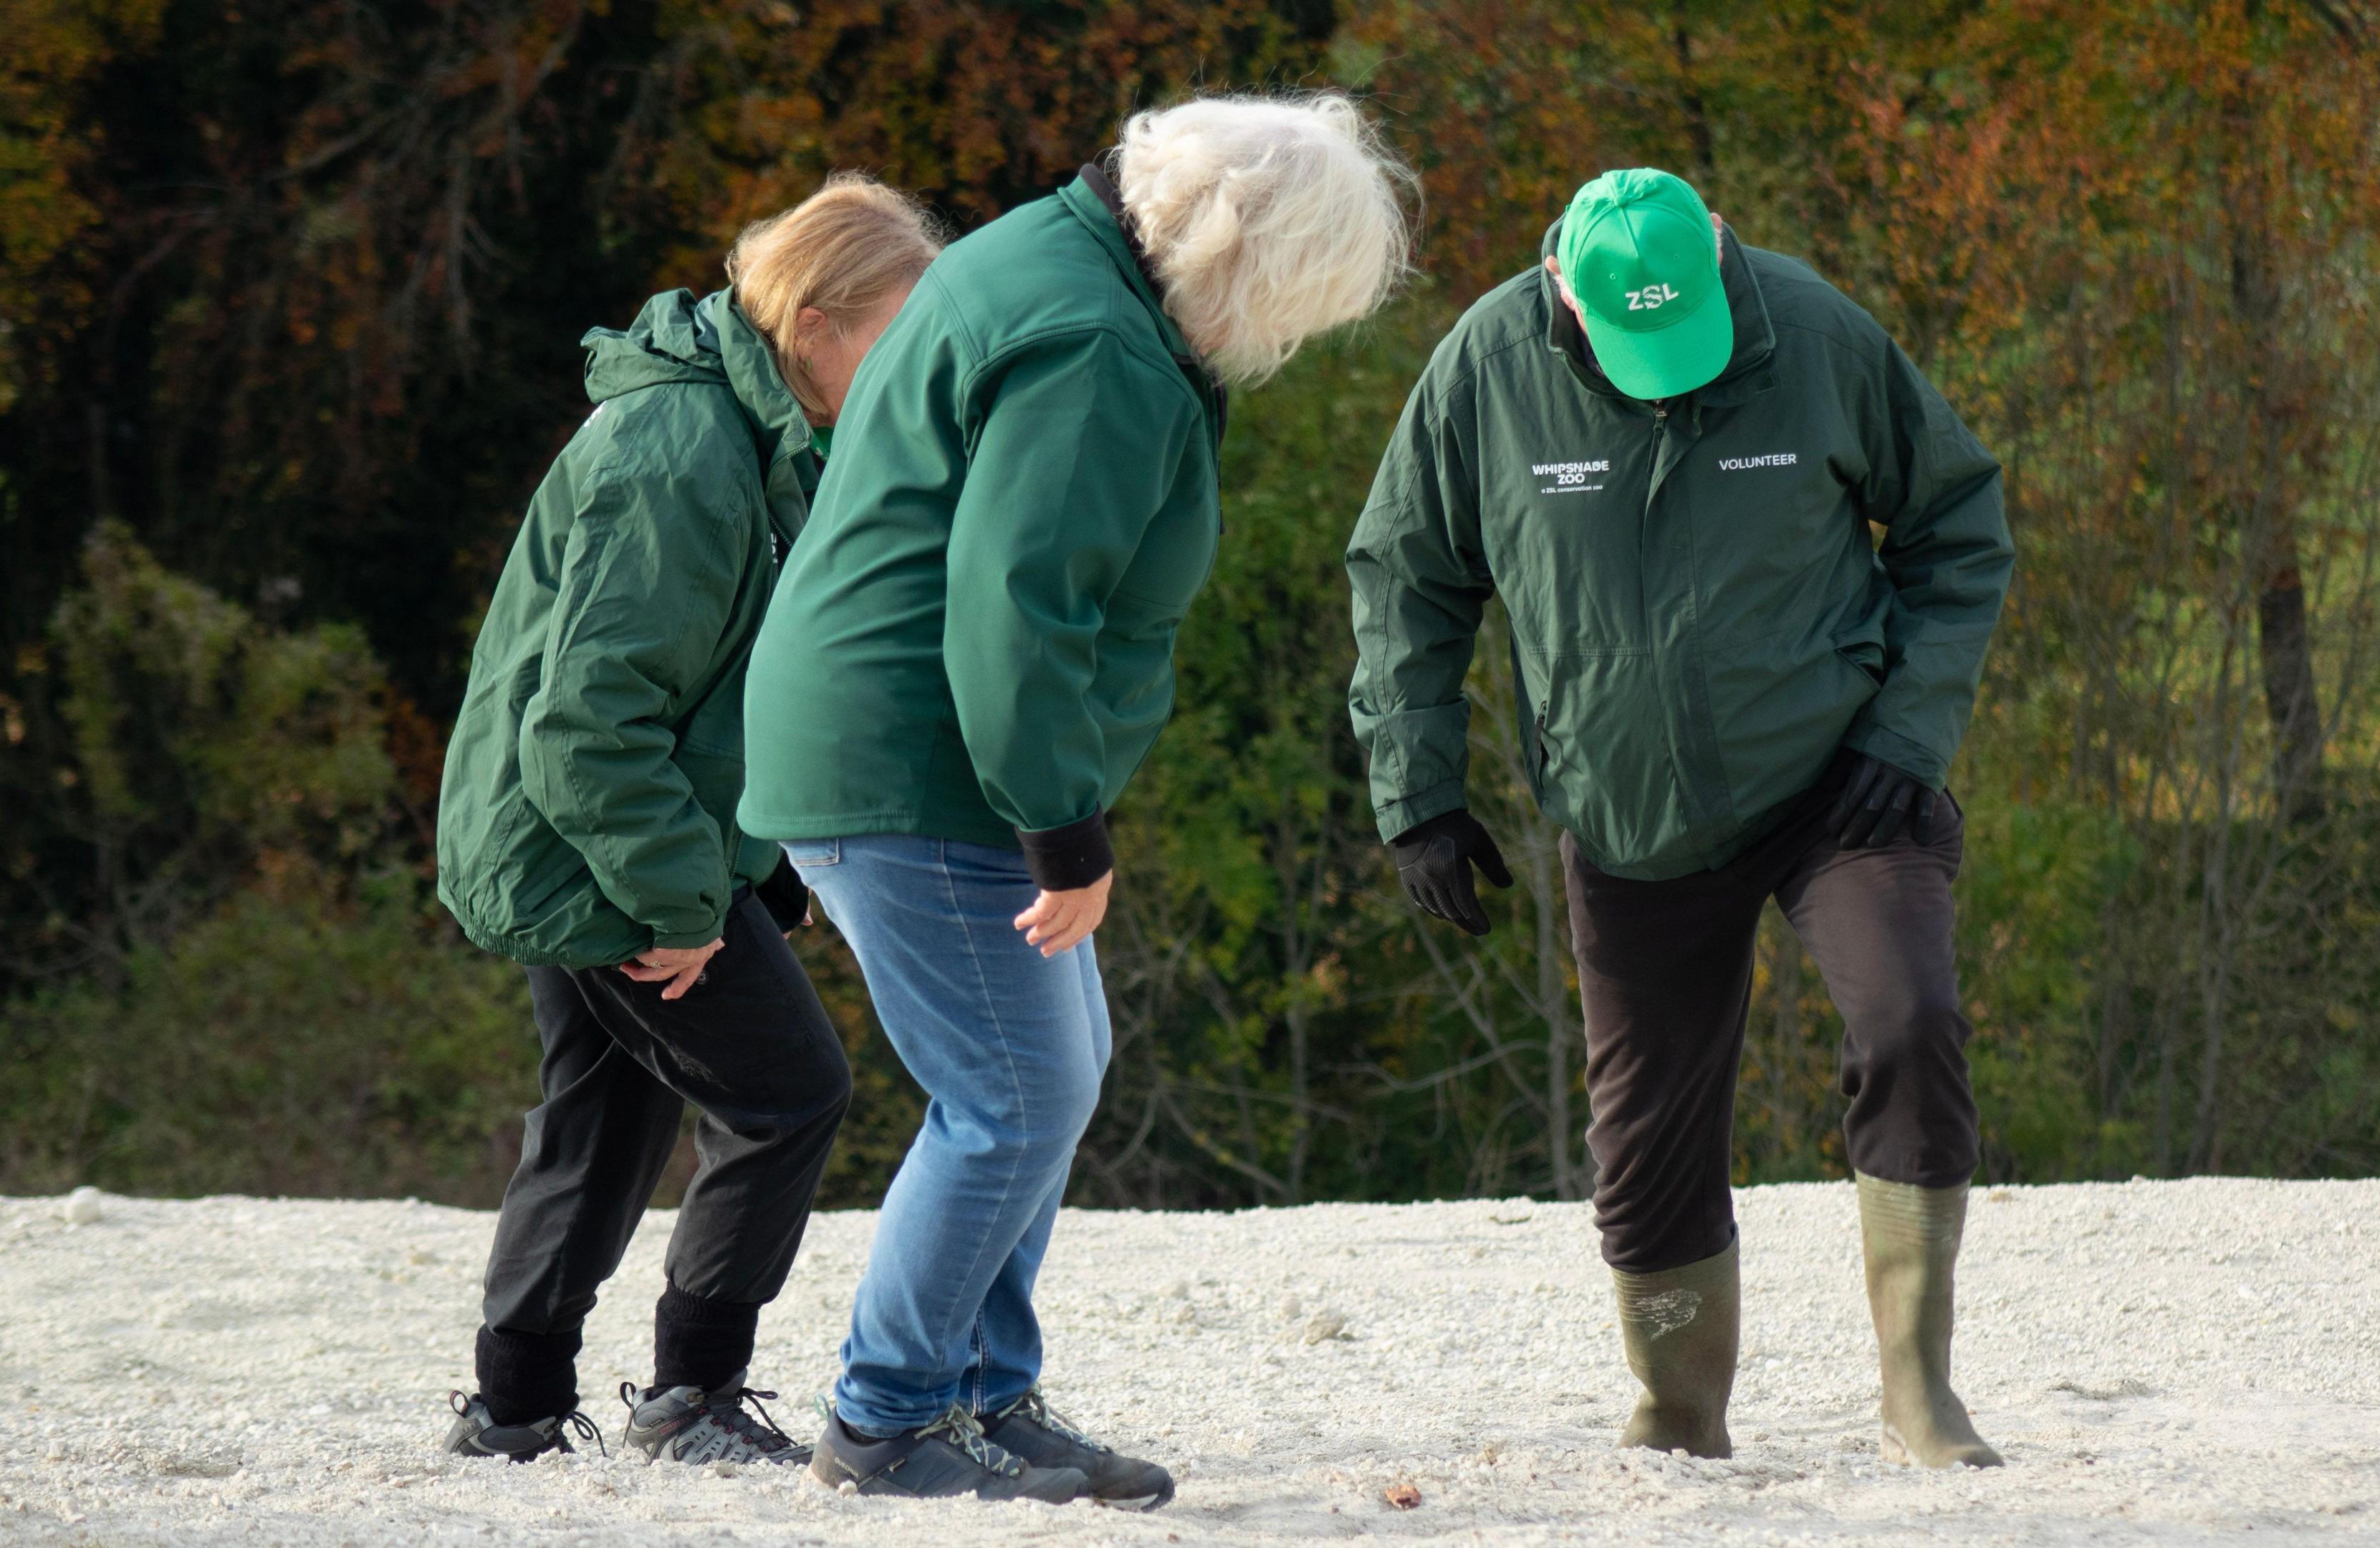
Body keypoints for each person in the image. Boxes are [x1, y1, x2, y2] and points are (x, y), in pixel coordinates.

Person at [738, 94, 1412, 1506]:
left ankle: (985, 1394)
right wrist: (1064, 822)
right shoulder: (1097, 343)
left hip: (900, 736)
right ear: (1254, 265)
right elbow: (1016, 605)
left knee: (1052, 1068)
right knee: (1013, 1090)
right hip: (918, 754)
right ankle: (886, 1417)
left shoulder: (1042, 253)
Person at [1346, 168, 2015, 1468]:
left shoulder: (1815, 336)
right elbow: (1406, 574)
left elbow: (1957, 524)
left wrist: (1908, 731)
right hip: (1629, 803)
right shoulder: (1486, 369)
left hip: (1842, 780)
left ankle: (1920, 1394)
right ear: (1563, 296)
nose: (1669, 374)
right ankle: (1678, 1408)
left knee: (1912, 1017)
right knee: (1644, 1133)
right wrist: (1417, 793)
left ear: (1721, 260)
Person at [431, 173, 942, 1466]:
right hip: (589, 848)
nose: (918, 360)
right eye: (902, 325)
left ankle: (514, 1408)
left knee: (603, 1120)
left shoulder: (755, 433)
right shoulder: (685, 450)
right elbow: (586, 722)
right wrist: (679, 897)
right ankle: (691, 1396)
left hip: (599, 833)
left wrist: (755, 860)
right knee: (788, 1094)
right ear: (816, 322)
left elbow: (718, 685)